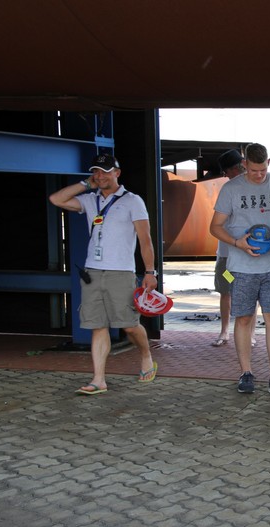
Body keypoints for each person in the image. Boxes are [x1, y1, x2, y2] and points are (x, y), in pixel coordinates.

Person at [49, 153, 158, 395]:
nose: (100, 176)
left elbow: (145, 240)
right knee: (97, 325)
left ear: (117, 173)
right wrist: (85, 184)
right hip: (93, 272)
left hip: (121, 272)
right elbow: (56, 199)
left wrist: (150, 272)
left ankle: (145, 354)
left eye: (105, 171)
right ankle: (99, 380)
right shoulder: (90, 199)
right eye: (96, 172)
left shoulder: (133, 201)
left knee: (129, 325)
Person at [209, 143, 270, 398]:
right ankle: (246, 373)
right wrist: (237, 243)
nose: (259, 175)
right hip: (241, 267)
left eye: (263, 170)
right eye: (253, 170)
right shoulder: (231, 189)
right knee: (244, 318)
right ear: (244, 164)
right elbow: (215, 227)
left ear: (269, 162)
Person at [211, 149, 247, 347]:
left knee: (249, 293)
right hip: (227, 256)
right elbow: (217, 224)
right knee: (226, 291)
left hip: (247, 254)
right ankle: (225, 331)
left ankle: (249, 334)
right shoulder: (227, 190)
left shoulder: (254, 188)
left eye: (227, 172)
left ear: (236, 168)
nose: (227, 176)